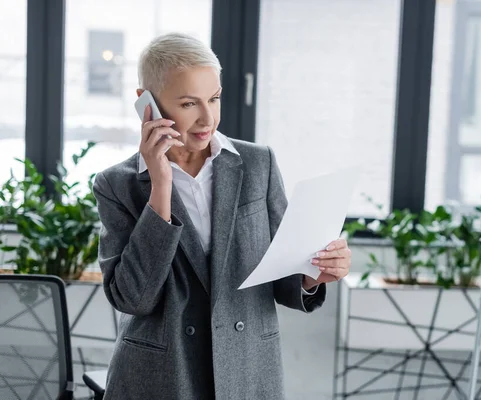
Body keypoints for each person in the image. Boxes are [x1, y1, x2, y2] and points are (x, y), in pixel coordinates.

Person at [92, 32, 352, 399]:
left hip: (246, 372)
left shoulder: (258, 163)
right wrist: (160, 188)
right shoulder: (117, 185)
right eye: (188, 104)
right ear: (146, 103)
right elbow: (133, 299)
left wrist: (313, 276)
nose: (207, 118)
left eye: (214, 98)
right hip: (161, 378)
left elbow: (283, 277)